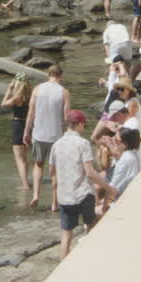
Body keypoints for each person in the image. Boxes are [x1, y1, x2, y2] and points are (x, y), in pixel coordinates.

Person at [50, 109, 117, 258]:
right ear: (79, 124)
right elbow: (90, 173)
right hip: (82, 194)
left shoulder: (56, 145)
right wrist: (108, 188)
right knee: (92, 225)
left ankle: (62, 267)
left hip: (64, 196)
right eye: (84, 125)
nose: (84, 128)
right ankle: (91, 258)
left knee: (66, 234)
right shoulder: (83, 143)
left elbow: (52, 172)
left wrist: (54, 198)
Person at [24, 65, 71, 211]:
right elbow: (66, 117)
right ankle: (54, 203)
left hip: (38, 134)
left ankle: (36, 195)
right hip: (55, 136)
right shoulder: (64, 92)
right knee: (54, 170)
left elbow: (31, 113)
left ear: (48, 74)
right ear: (60, 75)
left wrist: (26, 131)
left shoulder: (37, 89)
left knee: (38, 164)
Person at [1, 75, 32, 191]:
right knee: (24, 158)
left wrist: (9, 90)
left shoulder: (17, 97)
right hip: (28, 126)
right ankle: (26, 182)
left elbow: (3, 104)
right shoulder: (30, 95)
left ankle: (25, 185)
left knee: (19, 158)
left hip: (18, 126)